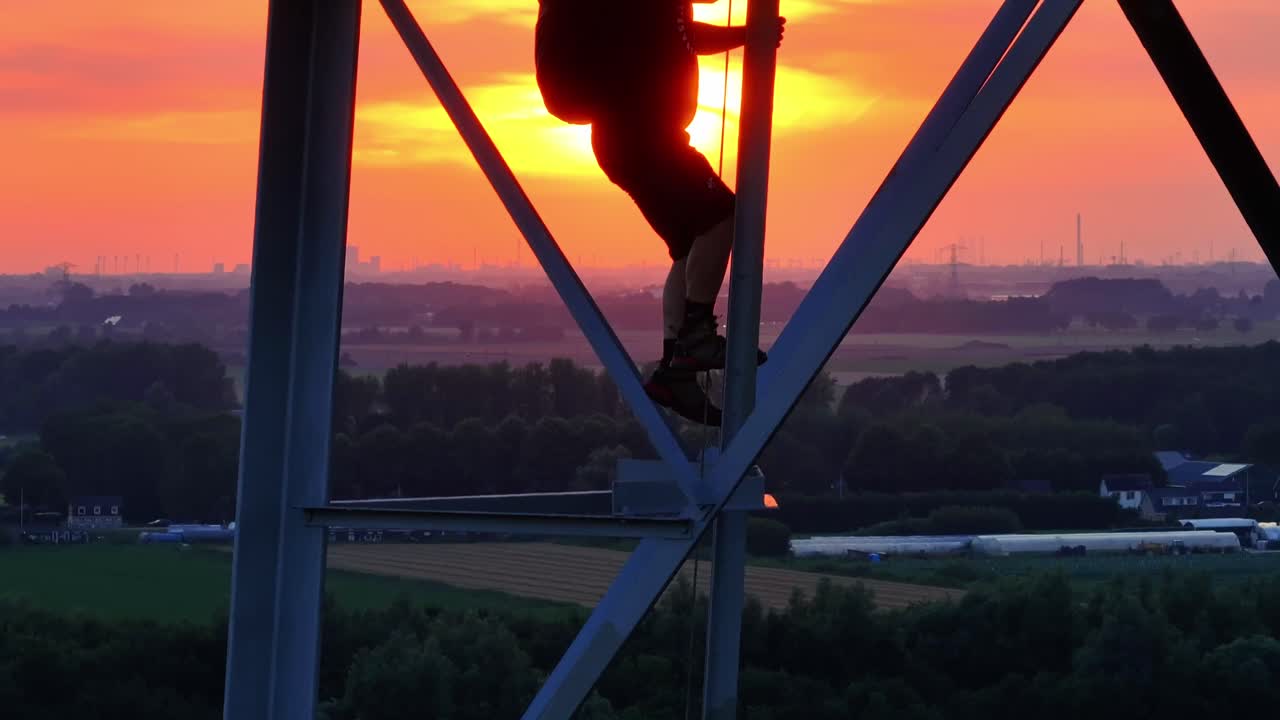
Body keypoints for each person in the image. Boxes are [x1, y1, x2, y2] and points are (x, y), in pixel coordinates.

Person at [537, 0, 786, 426]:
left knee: (689, 245)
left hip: (629, 138)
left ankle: (676, 374)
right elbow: (686, 37)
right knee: (725, 215)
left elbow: (683, 37)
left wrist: (747, 34)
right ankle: (696, 337)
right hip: (643, 136)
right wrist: (750, 34)